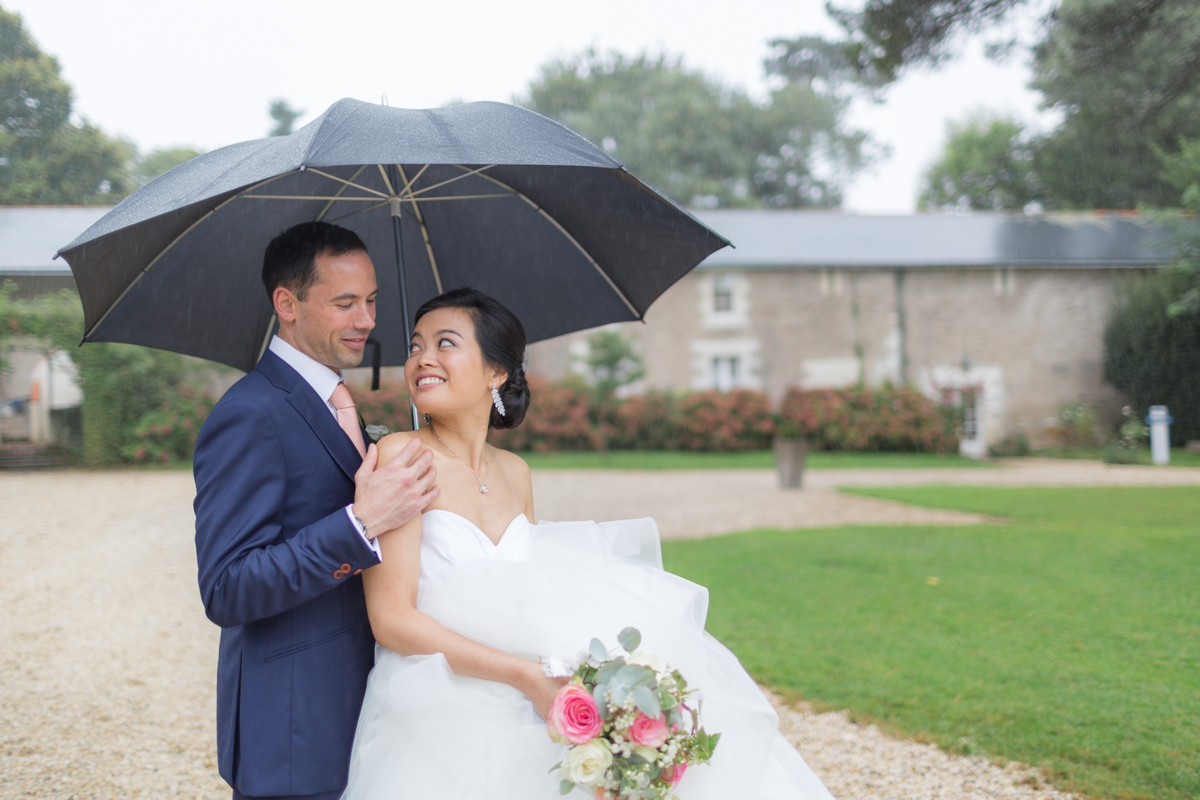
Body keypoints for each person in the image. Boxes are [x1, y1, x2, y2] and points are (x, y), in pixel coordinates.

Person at [340, 287, 834, 799]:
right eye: (416, 346)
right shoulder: (400, 454)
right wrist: (521, 675)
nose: (423, 359)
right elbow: (393, 618)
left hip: (534, 689)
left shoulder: (515, 472)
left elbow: (529, 594)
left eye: (445, 344)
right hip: (442, 700)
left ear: (496, 372)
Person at [193, 221, 439, 800]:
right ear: (287, 303)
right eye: (345, 303)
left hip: (371, 706)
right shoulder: (250, 414)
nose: (367, 321)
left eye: (373, 301)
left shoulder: (337, 398)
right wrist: (361, 525)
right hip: (294, 726)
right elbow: (227, 588)